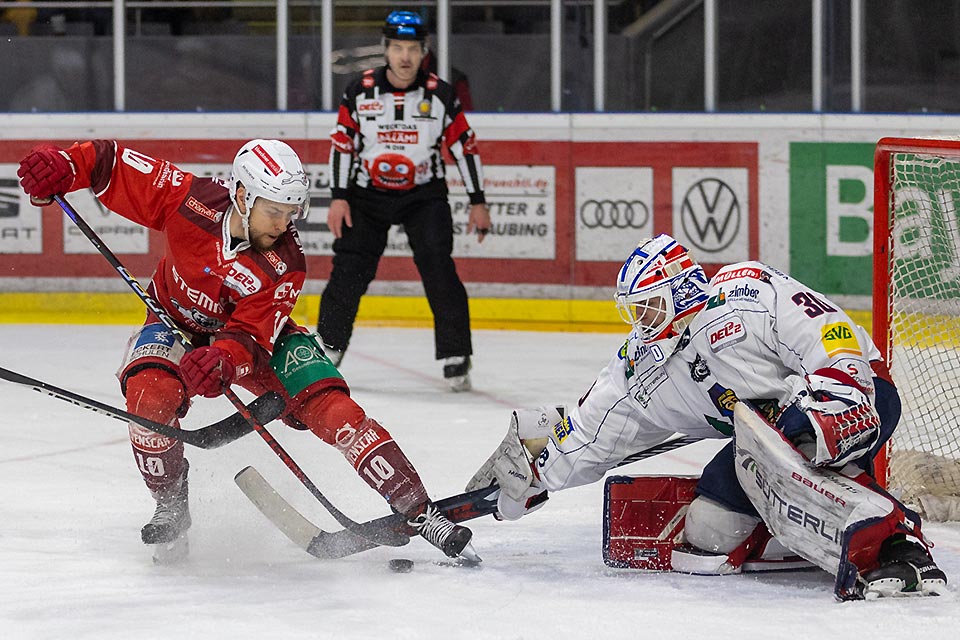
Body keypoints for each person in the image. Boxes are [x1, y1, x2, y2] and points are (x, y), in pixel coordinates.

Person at [17, 139, 478, 564]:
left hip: (257, 343)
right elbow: (109, 165)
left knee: (336, 411)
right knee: (147, 401)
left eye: (291, 212)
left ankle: (420, 511)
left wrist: (223, 359)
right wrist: (64, 164)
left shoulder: (286, 261)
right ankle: (172, 508)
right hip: (174, 322)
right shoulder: (189, 198)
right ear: (241, 196)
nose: (284, 225)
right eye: (274, 212)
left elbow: (251, 333)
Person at [467, 233, 947, 600]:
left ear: (680, 288)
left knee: (799, 442)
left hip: (851, 392)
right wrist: (534, 475)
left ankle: (900, 545)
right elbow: (592, 434)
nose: (642, 324)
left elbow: (828, 331)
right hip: (760, 444)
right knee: (708, 536)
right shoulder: (641, 366)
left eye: (650, 307)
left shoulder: (746, 292)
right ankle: (800, 534)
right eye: (634, 313)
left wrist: (834, 396)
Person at [318, 10, 491, 392]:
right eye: (397, 48)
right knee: (349, 269)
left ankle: (455, 356)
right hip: (366, 195)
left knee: (438, 268)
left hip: (423, 195)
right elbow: (343, 144)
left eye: (412, 48)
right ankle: (328, 348)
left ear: (423, 51)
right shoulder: (359, 90)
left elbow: (465, 147)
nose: (405, 57)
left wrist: (478, 200)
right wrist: (339, 197)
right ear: (386, 49)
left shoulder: (442, 93)